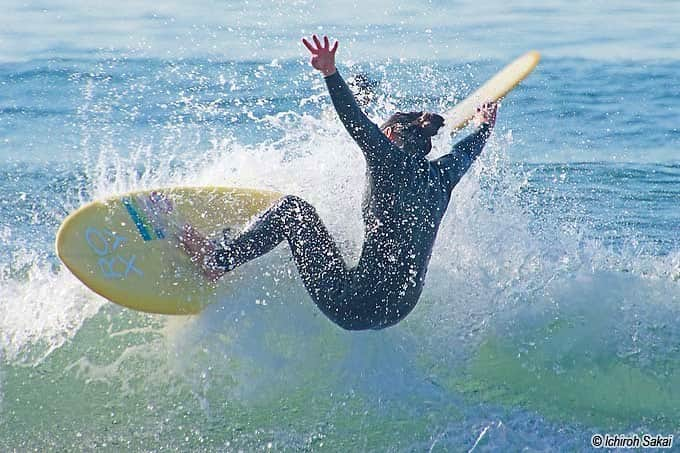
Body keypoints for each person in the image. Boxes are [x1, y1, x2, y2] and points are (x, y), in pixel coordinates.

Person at [179, 35, 497, 330]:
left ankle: (217, 262)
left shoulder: (387, 158)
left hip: (352, 304)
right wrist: (483, 127)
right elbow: (466, 151)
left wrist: (330, 73)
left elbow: (354, 119)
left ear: (387, 135)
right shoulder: (442, 176)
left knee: (292, 211)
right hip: (399, 310)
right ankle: (244, 248)